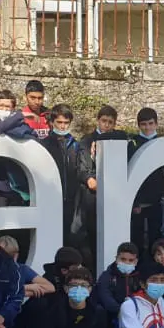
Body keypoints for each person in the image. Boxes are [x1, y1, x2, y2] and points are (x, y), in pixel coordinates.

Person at [44, 104, 95, 250]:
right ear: (52, 122)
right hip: (52, 199)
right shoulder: (45, 144)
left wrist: (87, 178)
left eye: (66, 123)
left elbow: (79, 168)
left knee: (71, 237)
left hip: (72, 200)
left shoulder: (75, 145)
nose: (62, 126)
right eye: (59, 122)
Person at [130, 108, 164, 248]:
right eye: (144, 124)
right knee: (136, 236)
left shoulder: (163, 143)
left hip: (157, 196)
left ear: (156, 124)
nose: (148, 128)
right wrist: (135, 202)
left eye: (151, 124)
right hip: (138, 197)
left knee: (156, 235)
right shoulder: (132, 144)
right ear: (139, 125)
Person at [94, 242, 148, 328]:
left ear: (136, 261)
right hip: (112, 318)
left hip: (136, 317)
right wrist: (122, 310)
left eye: (131, 260)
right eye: (123, 259)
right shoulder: (107, 276)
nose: (127, 263)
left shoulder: (140, 277)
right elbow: (105, 297)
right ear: (116, 259)